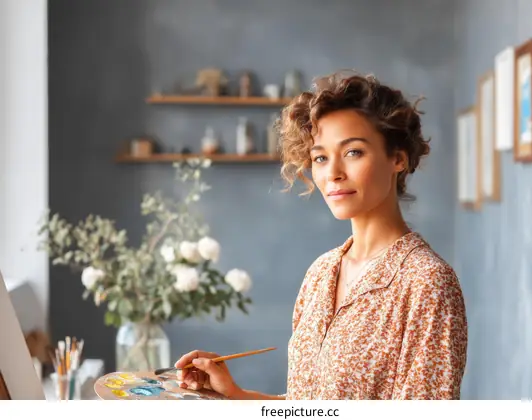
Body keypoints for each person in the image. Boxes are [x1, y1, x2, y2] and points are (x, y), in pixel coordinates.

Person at [175, 71, 468, 400]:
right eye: (320, 158)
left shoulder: (427, 283)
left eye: (353, 152)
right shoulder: (321, 273)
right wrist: (234, 395)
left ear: (397, 158)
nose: (333, 174)